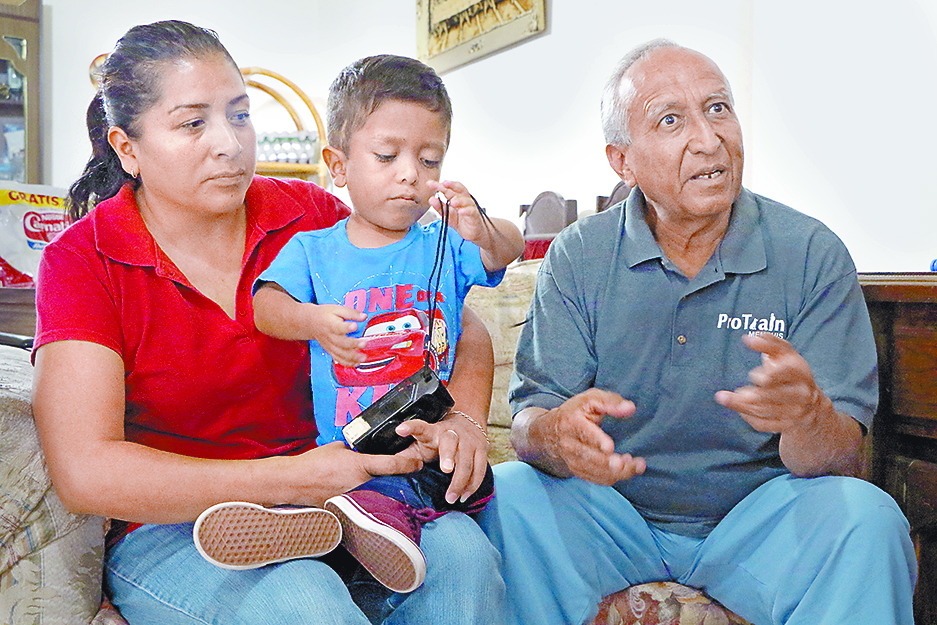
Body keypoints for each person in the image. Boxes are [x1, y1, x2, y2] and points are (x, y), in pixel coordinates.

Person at [31, 20, 505, 625]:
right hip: (180, 526)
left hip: (348, 501)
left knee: (463, 556)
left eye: (240, 115)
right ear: (128, 149)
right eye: (193, 123)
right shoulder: (82, 261)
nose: (229, 144)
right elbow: (85, 471)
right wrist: (289, 479)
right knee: (304, 599)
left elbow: (461, 327)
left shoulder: (309, 217)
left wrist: (463, 419)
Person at [478, 39, 917, 625]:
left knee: (868, 519)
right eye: (670, 120)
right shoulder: (578, 255)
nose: (709, 140)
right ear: (622, 161)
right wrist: (556, 434)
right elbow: (530, 423)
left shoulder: (811, 252)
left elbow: (842, 457)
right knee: (507, 496)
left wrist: (808, 417)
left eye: (718, 108)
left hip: (761, 521)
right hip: (612, 515)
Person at [233, 54, 523, 594]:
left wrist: (483, 228)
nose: (410, 174)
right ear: (339, 166)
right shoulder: (314, 249)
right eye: (387, 156)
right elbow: (264, 307)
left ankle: (334, 531)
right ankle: (315, 527)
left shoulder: (445, 244)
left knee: (464, 488)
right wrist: (312, 321)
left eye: (429, 160)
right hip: (350, 450)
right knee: (363, 492)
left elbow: (508, 247)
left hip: (430, 442)